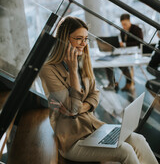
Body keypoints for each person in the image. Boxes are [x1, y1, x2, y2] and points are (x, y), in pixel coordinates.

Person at [39, 16, 158, 164]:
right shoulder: (48, 70)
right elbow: (73, 108)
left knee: (138, 139)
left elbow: (94, 94)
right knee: (125, 151)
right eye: (79, 38)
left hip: (94, 129)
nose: (84, 43)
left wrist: (80, 108)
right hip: (72, 140)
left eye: (86, 39)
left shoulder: (83, 60)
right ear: (64, 39)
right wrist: (73, 71)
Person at [105, 13, 143, 92]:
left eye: (125, 24)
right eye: (122, 24)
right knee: (111, 63)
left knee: (122, 64)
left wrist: (125, 44)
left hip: (135, 53)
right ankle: (113, 83)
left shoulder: (137, 29)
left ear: (129, 21)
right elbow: (122, 42)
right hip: (125, 53)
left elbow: (139, 43)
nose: (123, 26)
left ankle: (128, 82)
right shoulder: (122, 31)